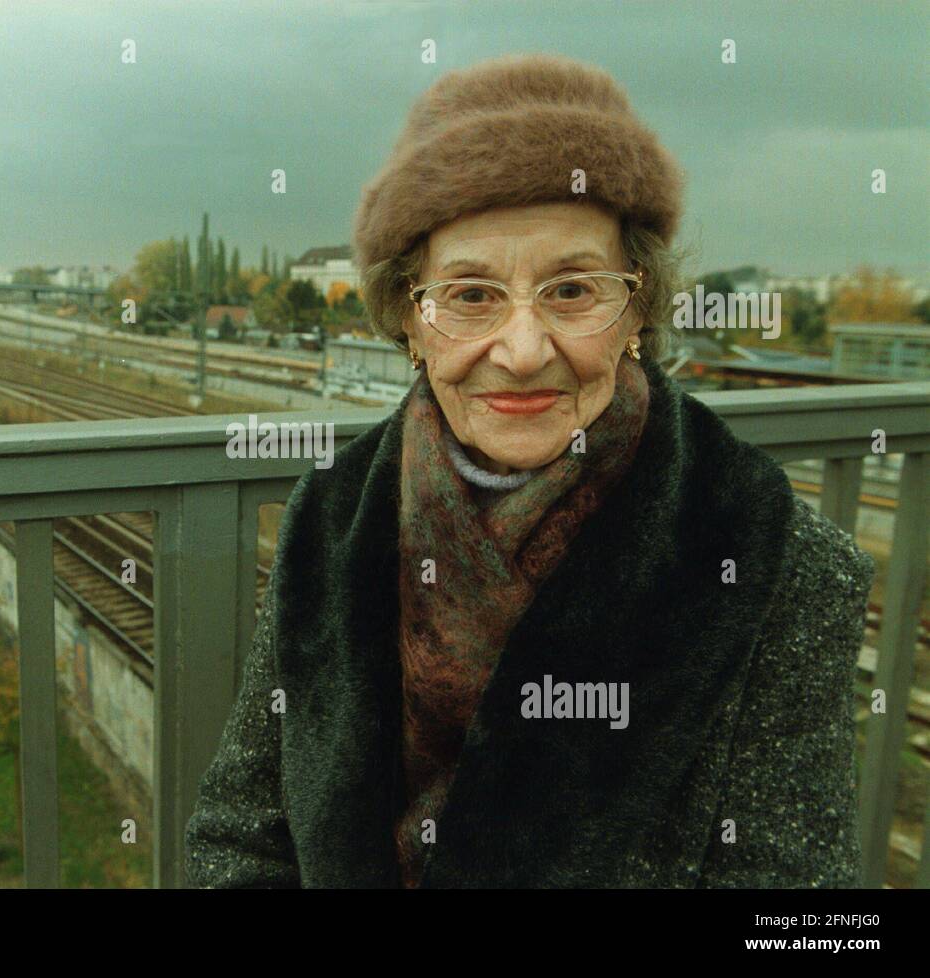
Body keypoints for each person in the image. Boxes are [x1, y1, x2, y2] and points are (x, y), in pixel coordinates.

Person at [184, 53, 874, 888]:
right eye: (471, 295)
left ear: (637, 311)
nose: (521, 352)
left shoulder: (777, 562)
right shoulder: (331, 518)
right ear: (410, 320)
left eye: (572, 291)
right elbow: (239, 840)